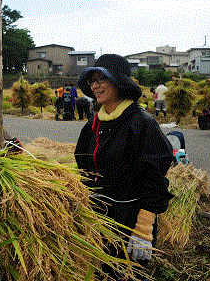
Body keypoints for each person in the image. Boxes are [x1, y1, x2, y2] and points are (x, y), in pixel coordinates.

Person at [74, 54, 174, 280]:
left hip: (130, 221)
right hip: (99, 217)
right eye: (92, 81)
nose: (95, 85)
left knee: (128, 276)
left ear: (119, 82)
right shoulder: (92, 125)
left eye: (101, 79)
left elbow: (154, 176)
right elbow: (84, 169)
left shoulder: (141, 123)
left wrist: (144, 227)